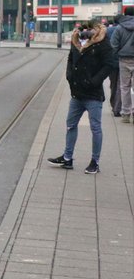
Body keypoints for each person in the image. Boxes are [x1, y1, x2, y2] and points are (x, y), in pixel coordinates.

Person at [47, 18, 112, 174]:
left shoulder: (102, 43)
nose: (86, 32)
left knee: (95, 128)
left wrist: (95, 81)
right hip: (77, 93)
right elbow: (70, 58)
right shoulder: (76, 41)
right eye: (84, 29)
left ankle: (95, 162)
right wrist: (69, 75)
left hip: (93, 94)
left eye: (90, 29)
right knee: (70, 125)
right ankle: (67, 158)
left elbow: (110, 64)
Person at [112, 6, 134, 124]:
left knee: (124, 87)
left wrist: (116, 55)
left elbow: (113, 44)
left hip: (124, 59)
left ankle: (125, 114)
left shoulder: (120, 27)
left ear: (125, 14)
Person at [103, 18, 121, 117]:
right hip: (123, 59)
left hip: (112, 61)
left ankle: (114, 104)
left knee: (114, 84)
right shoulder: (122, 29)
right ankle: (119, 106)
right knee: (123, 85)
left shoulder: (108, 31)